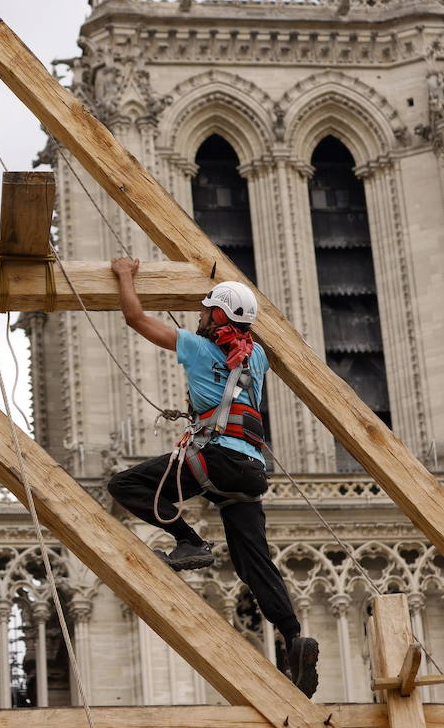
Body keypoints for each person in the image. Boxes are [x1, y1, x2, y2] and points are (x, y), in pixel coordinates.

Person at [105, 256, 319, 697]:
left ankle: (189, 542)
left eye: (206, 311)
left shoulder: (197, 347)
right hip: (252, 472)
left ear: (217, 316)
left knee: (125, 485)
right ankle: (294, 637)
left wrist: (125, 276)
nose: (199, 316)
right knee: (253, 563)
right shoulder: (257, 356)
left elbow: (134, 317)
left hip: (213, 459)